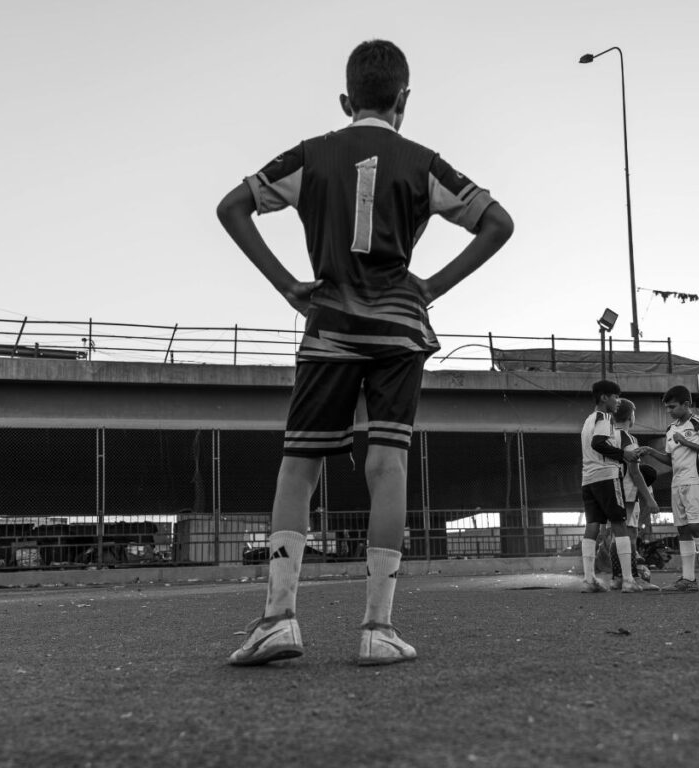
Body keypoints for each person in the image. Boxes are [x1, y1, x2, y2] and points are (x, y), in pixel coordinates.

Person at [216, 39, 514, 666]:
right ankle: (378, 629)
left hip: (328, 324)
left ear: (347, 100)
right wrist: (429, 287)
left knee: (298, 468)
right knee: (388, 467)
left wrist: (288, 285)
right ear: (404, 100)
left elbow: (232, 206)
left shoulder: (311, 155)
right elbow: (499, 223)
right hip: (400, 328)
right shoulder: (423, 162)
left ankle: (278, 619)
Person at [638, 385, 699, 592]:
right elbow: (670, 459)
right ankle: (688, 578)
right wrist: (650, 451)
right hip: (678, 482)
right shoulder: (671, 429)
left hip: (696, 481)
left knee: (695, 527)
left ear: (687, 404)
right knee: (682, 529)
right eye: (667, 408)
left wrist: (685, 442)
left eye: (673, 407)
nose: (670, 411)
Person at [579, 380, 641, 593]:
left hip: (588, 479)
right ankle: (628, 580)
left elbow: (592, 444)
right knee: (620, 524)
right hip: (606, 476)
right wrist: (624, 454)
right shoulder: (604, 417)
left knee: (592, 527)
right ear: (604, 397)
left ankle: (589, 579)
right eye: (615, 396)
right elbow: (598, 443)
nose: (617, 401)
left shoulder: (588, 420)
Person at [608, 398, 661, 591]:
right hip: (627, 492)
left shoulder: (606, 437)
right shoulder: (628, 439)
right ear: (631, 416)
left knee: (618, 534)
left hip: (611, 490)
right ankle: (633, 577)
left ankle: (616, 577)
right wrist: (649, 498)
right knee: (629, 534)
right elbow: (634, 471)